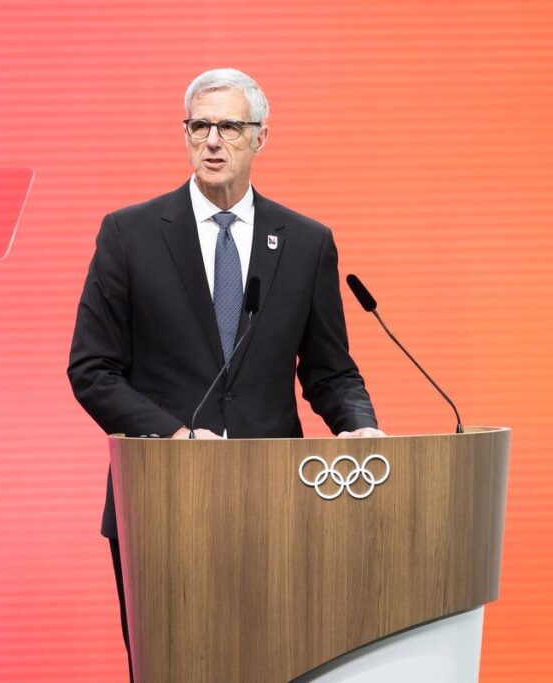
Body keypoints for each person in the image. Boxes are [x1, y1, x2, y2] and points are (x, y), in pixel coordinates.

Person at [66, 68, 384, 680]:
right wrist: (176, 436)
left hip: (278, 503)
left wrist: (359, 427)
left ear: (260, 137)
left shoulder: (306, 242)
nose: (213, 141)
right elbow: (92, 369)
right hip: (163, 500)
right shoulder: (129, 235)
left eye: (230, 127)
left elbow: (331, 371)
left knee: (277, 664)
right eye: (200, 126)